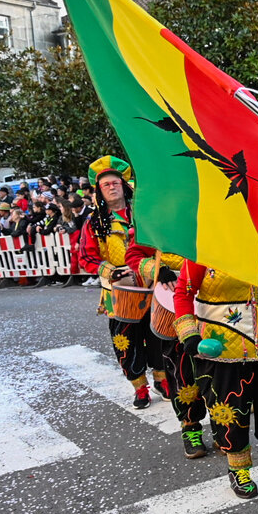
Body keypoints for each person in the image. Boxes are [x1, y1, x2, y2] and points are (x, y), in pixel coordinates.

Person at [172, 231, 258, 499]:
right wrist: (189, 334)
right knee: (229, 411)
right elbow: (183, 292)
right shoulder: (203, 243)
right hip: (222, 346)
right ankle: (239, 469)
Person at [78, 156, 168, 410]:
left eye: (115, 182)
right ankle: (140, 387)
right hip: (119, 292)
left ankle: (162, 379)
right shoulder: (94, 222)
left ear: (124, 184)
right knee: (126, 341)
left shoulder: (144, 214)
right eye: (105, 184)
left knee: (158, 333)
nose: (111, 187)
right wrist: (110, 271)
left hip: (151, 284)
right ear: (99, 191)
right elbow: (86, 257)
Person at [125, 241, 211, 460]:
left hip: (216, 299)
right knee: (182, 370)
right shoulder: (160, 212)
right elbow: (134, 254)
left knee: (219, 370)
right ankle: (190, 427)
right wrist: (157, 270)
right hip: (176, 299)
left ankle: (222, 426)